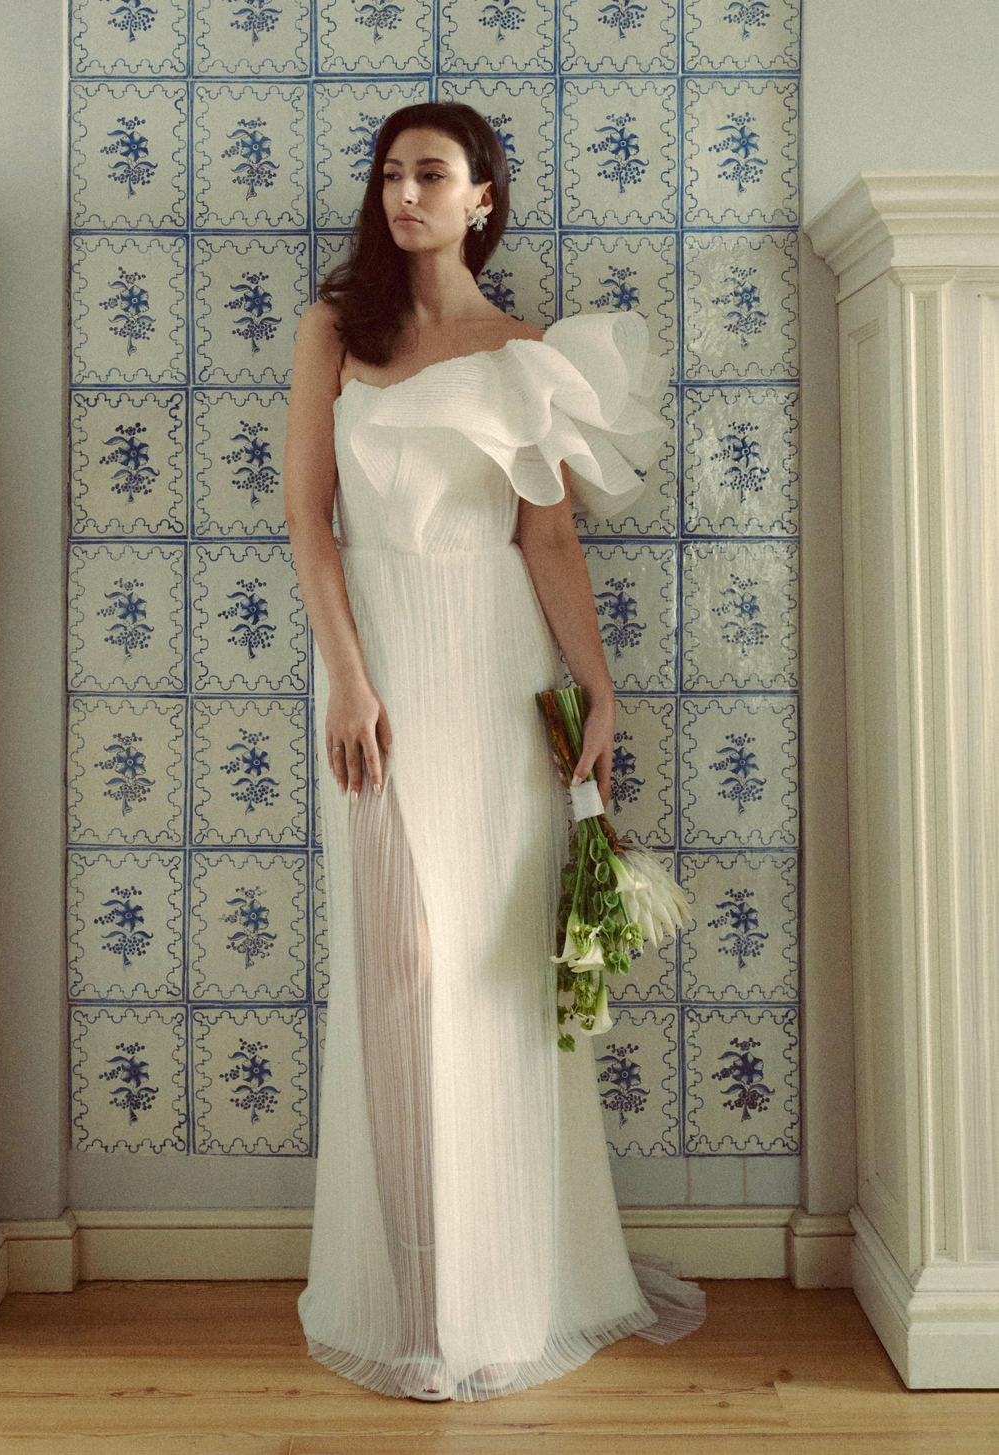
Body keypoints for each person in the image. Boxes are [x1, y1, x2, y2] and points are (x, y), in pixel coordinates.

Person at [283, 101, 706, 1404]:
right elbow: (308, 520)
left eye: (432, 173)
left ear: (483, 197)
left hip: (498, 668)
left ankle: (504, 1290)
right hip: (380, 670)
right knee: (398, 973)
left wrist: (599, 694)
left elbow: (549, 540)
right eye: (389, 174)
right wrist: (349, 676)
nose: (404, 193)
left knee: (492, 979)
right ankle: (417, 1300)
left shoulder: (528, 355)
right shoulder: (335, 333)